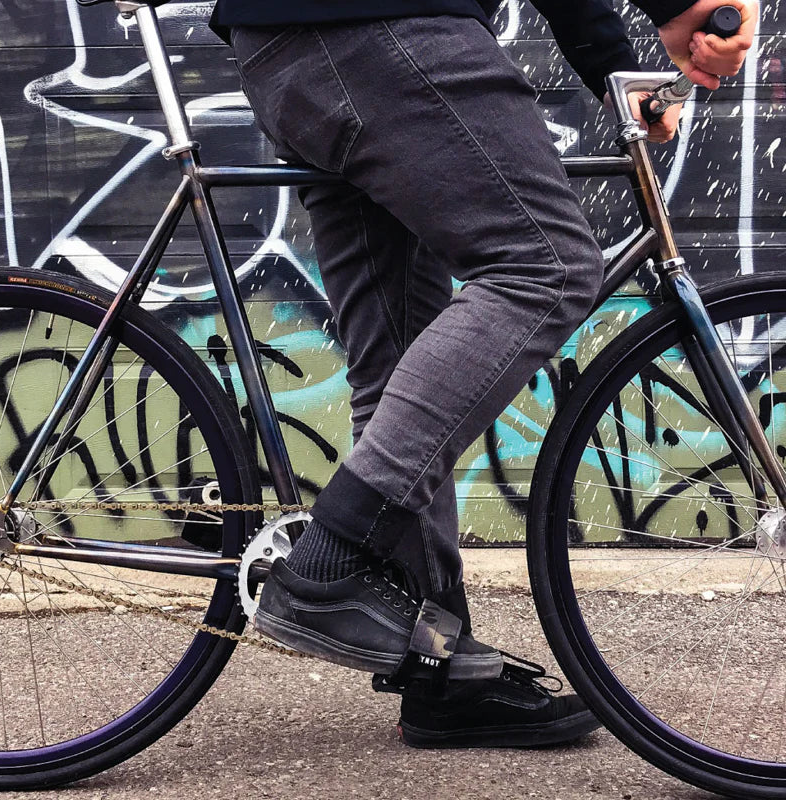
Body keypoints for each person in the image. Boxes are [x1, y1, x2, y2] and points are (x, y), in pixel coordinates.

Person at [208, 0, 758, 749]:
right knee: (549, 266)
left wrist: (609, 60)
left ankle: (439, 671)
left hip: (292, 46)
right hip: (378, 27)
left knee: (398, 355)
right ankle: (328, 561)